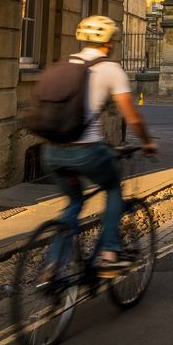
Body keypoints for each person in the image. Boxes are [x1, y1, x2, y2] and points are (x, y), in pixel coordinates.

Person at [46, 15, 157, 278]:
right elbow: (131, 117)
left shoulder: (63, 65)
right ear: (109, 43)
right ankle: (109, 252)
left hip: (51, 150)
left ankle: (52, 265)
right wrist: (147, 142)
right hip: (86, 152)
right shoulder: (110, 69)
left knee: (73, 203)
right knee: (112, 188)